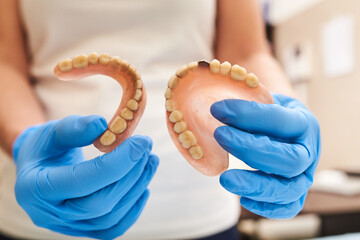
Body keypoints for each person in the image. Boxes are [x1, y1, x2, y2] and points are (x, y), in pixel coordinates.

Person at [0, 0, 321, 239]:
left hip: (200, 216)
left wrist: (281, 111)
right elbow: (6, 63)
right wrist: (24, 140)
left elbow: (247, 50)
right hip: (40, 217)